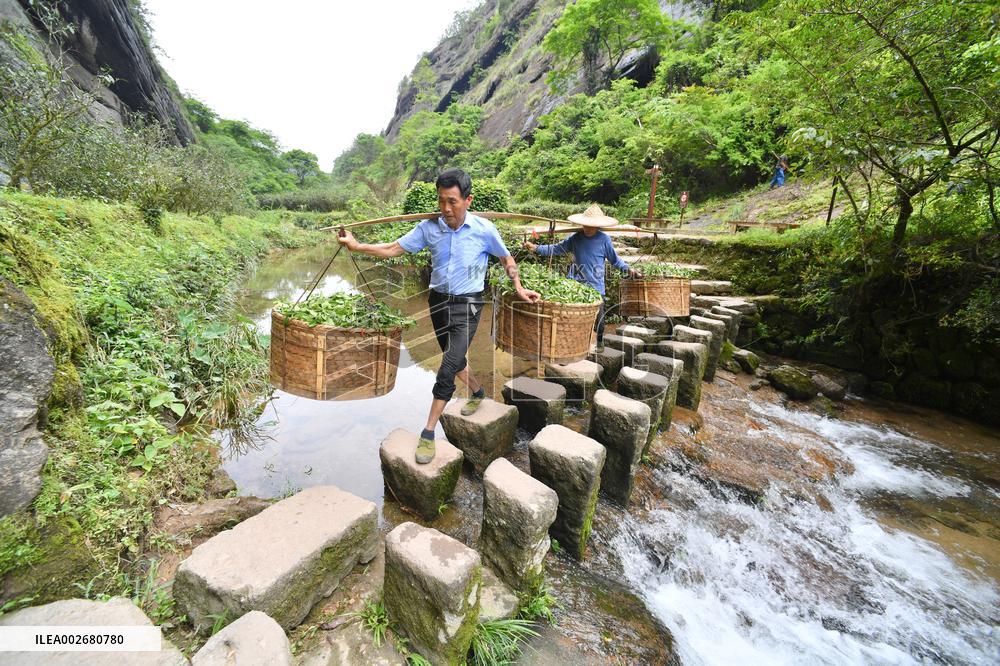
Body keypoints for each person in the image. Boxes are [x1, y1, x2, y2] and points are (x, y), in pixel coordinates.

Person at [338, 168, 539, 464]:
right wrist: (357, 246)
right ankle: (479, 391)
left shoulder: (483, 229)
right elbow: (394, 248)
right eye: (441, 201)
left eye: (452, 201)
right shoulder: (429, 228)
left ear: (468, 200)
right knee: (453, 357)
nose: (445, 208)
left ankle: (428, 430)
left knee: (449, 364)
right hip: (438, 302)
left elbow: (506, 258)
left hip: (469, 303)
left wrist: (519, 287)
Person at [522, 204, 637, 352]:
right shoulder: (575, 238)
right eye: (586, 224)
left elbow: (615, 260)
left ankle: (599, 342)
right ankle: (570, 347)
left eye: (592, 225)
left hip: (595, 287)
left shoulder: (604, 240)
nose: (588, 228)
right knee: (570, 319)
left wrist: (629, 269)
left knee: (599, 322)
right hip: (575, 285)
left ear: (598, 226)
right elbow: (556, 249)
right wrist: (536, 248)